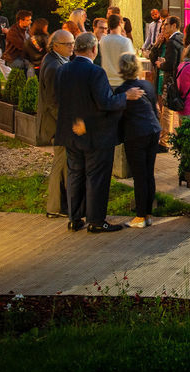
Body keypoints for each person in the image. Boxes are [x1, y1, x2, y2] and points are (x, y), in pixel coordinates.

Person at [54, 32, 144, 233]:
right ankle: (96, 220)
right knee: (96, 176)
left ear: (76, 48)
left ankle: (75, 218)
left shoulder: (63, 70)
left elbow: (60, 99)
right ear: (94, 49)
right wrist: (126, 96)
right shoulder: (96, 72)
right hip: (96, 134)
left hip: (72, 131)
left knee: (75, 174)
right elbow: (106, 102)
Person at [115, 53, 160, 228]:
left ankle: (141, 216)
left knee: (140, 176)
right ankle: (148, 213)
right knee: (149, 173)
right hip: (153, 130)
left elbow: (118, 115)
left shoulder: (121, 91)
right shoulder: (147, 85)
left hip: (136, 134)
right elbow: (155, 107)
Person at [39, 29, 73, 219]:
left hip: (57, 123)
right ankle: (55, 207)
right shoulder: (54, 66)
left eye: (73, 43)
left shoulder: (54, 60)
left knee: (63, 163)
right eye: (68, 44)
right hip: (57, 124)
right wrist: (66, 122)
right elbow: (52, 101)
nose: (72, 47)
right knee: (60, 163)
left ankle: (62, 204)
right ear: (56, 46)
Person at [154, 16, 184, 144]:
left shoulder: (172, 41)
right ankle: (183, 137)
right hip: (181, 79)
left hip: (171, 80)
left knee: (167, 111)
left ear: (174, 25)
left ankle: (164, 141)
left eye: (166, 25)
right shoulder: (182, 38)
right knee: (181, 110)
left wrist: (161, 65)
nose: (164, 27)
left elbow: (171, 64)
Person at [98, 13, 135, 88]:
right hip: (121, 81)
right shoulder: (125, 41)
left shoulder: (103, 40)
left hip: (106, 81)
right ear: (119, 23)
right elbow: (131, 62)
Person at [3, 9, 34, 75]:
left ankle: (29, 82)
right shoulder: (13, 31)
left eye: (30, 19)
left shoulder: (28, 29)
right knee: (30, 66)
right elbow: (22, 46)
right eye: (28, 20)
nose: (30, 22)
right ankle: (29, 83)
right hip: (13, 58)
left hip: (23, 56)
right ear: (21, 21)